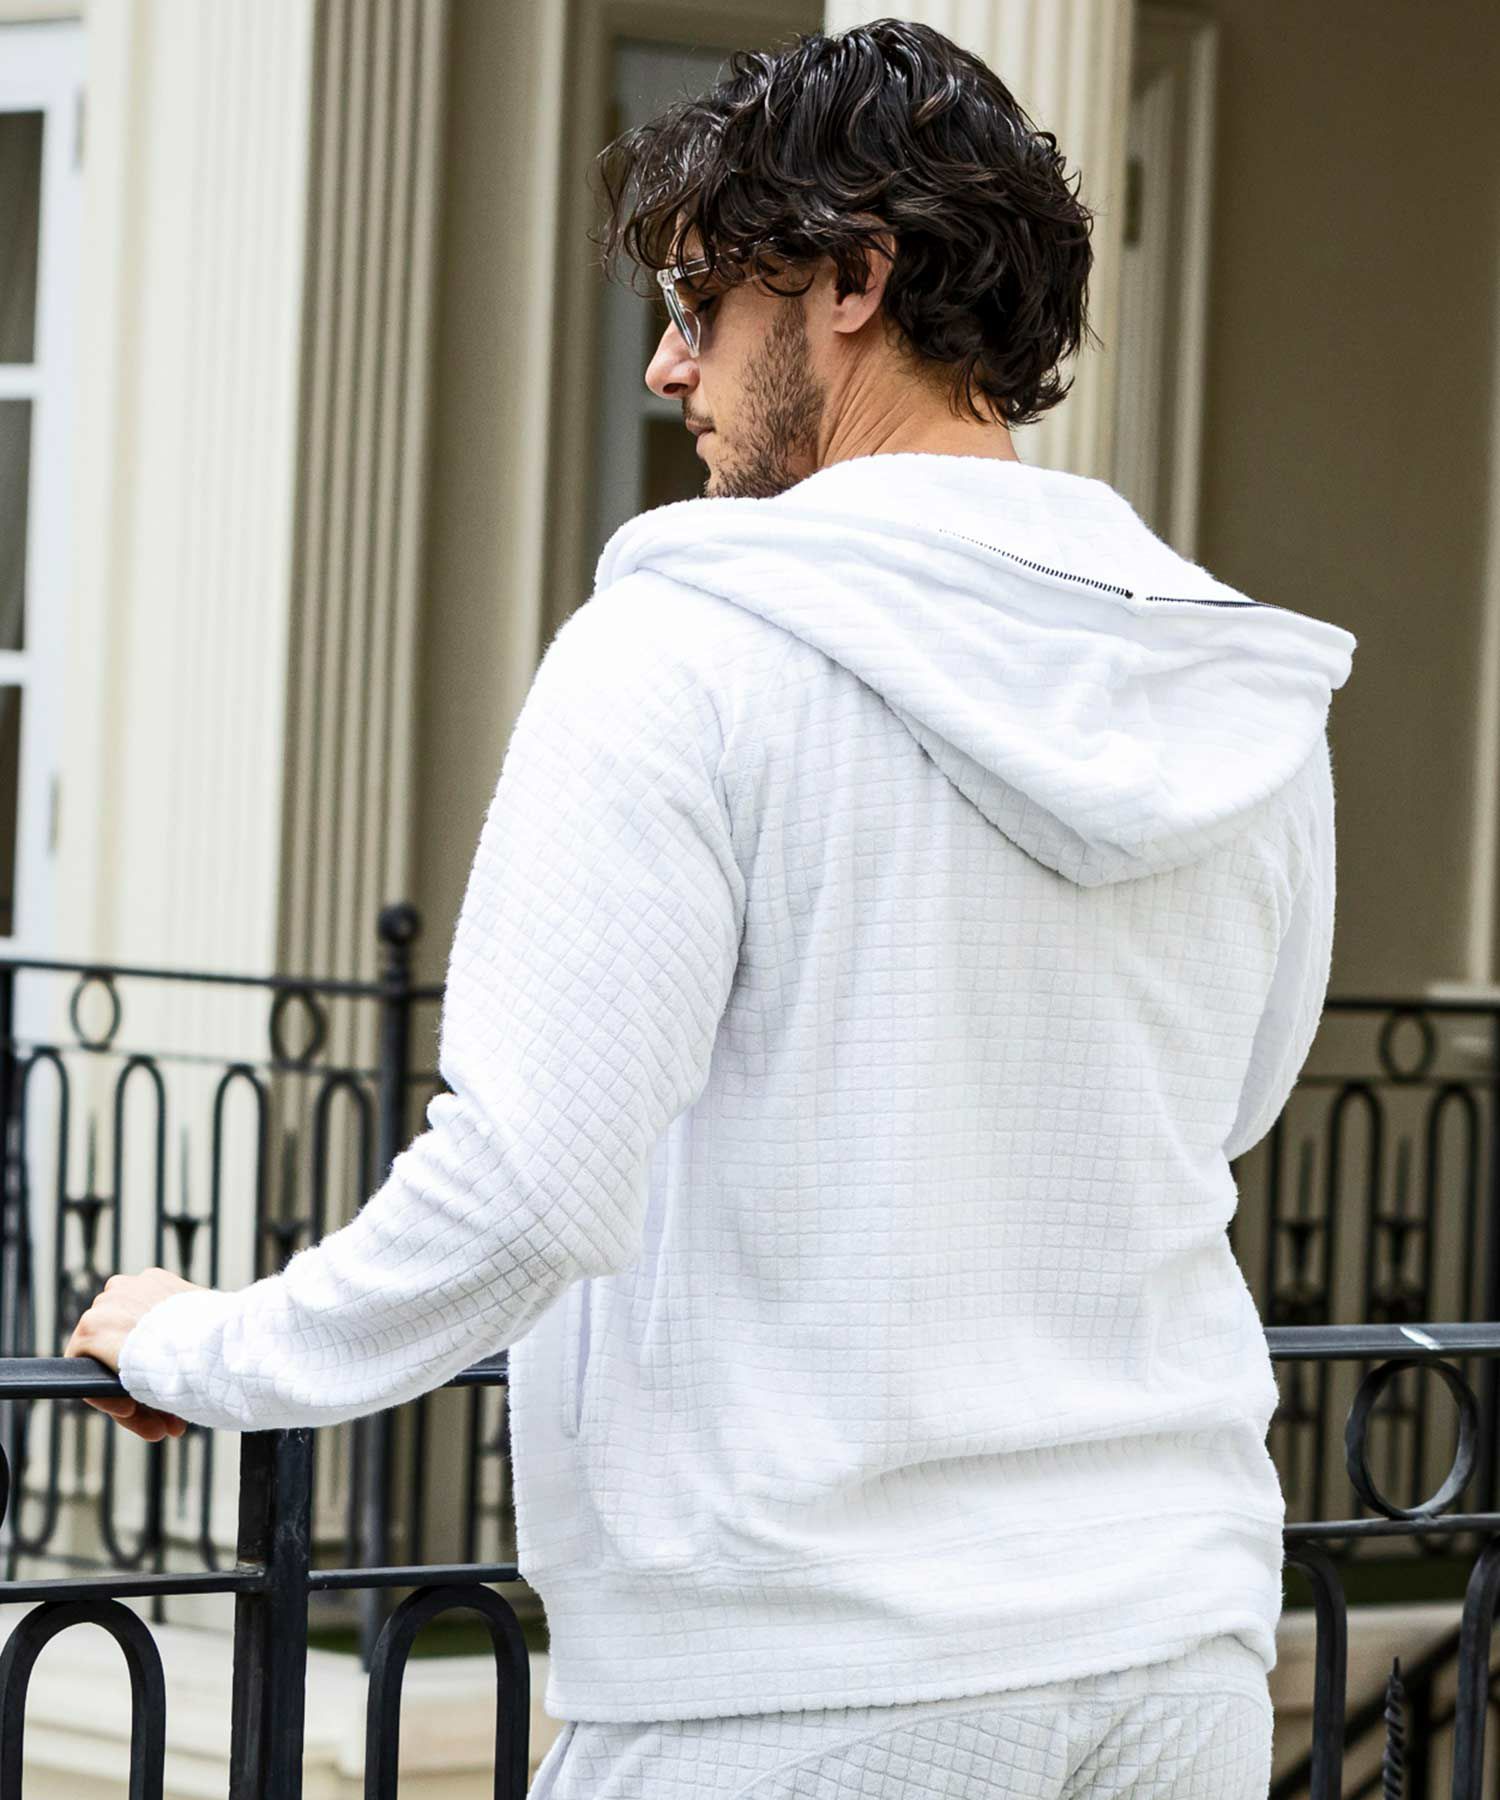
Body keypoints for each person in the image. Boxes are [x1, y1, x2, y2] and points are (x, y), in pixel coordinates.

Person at [70, 18, 1357, 1798]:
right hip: (1173, 1651)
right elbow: (1224, 1110)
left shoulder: (682, 650)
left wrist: (213, 1347)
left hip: (796, 1681)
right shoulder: (1226, 687)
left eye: (698, 302)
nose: (667, 366)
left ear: (852, 280)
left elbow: (529, 1181)